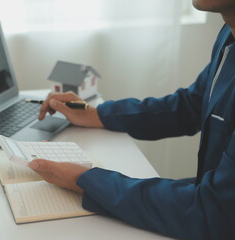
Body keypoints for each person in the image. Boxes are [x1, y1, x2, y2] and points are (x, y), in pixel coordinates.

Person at [28, 1, 235, 239]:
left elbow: (214, 211)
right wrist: (97, 114)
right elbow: (190, 106)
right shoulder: (228, 35)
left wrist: (84, 179)